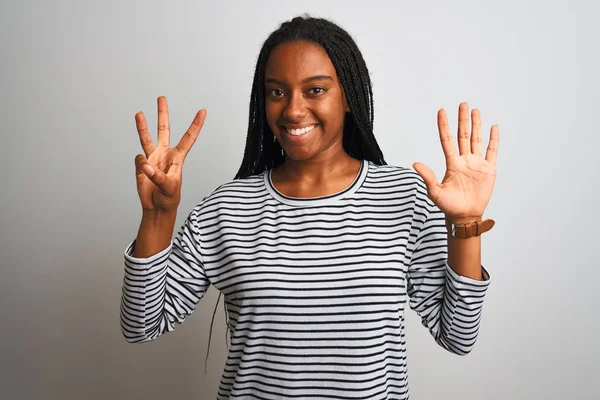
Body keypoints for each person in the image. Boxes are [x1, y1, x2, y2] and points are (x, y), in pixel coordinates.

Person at [120, 15, 499, 400]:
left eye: (315, 90)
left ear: (348, 96)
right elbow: (142, 324)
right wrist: (158, 216)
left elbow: (458, 335)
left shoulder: (405, 198)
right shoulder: (226, 209)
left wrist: (466, 223)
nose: (293, 111)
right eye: (277, 92)